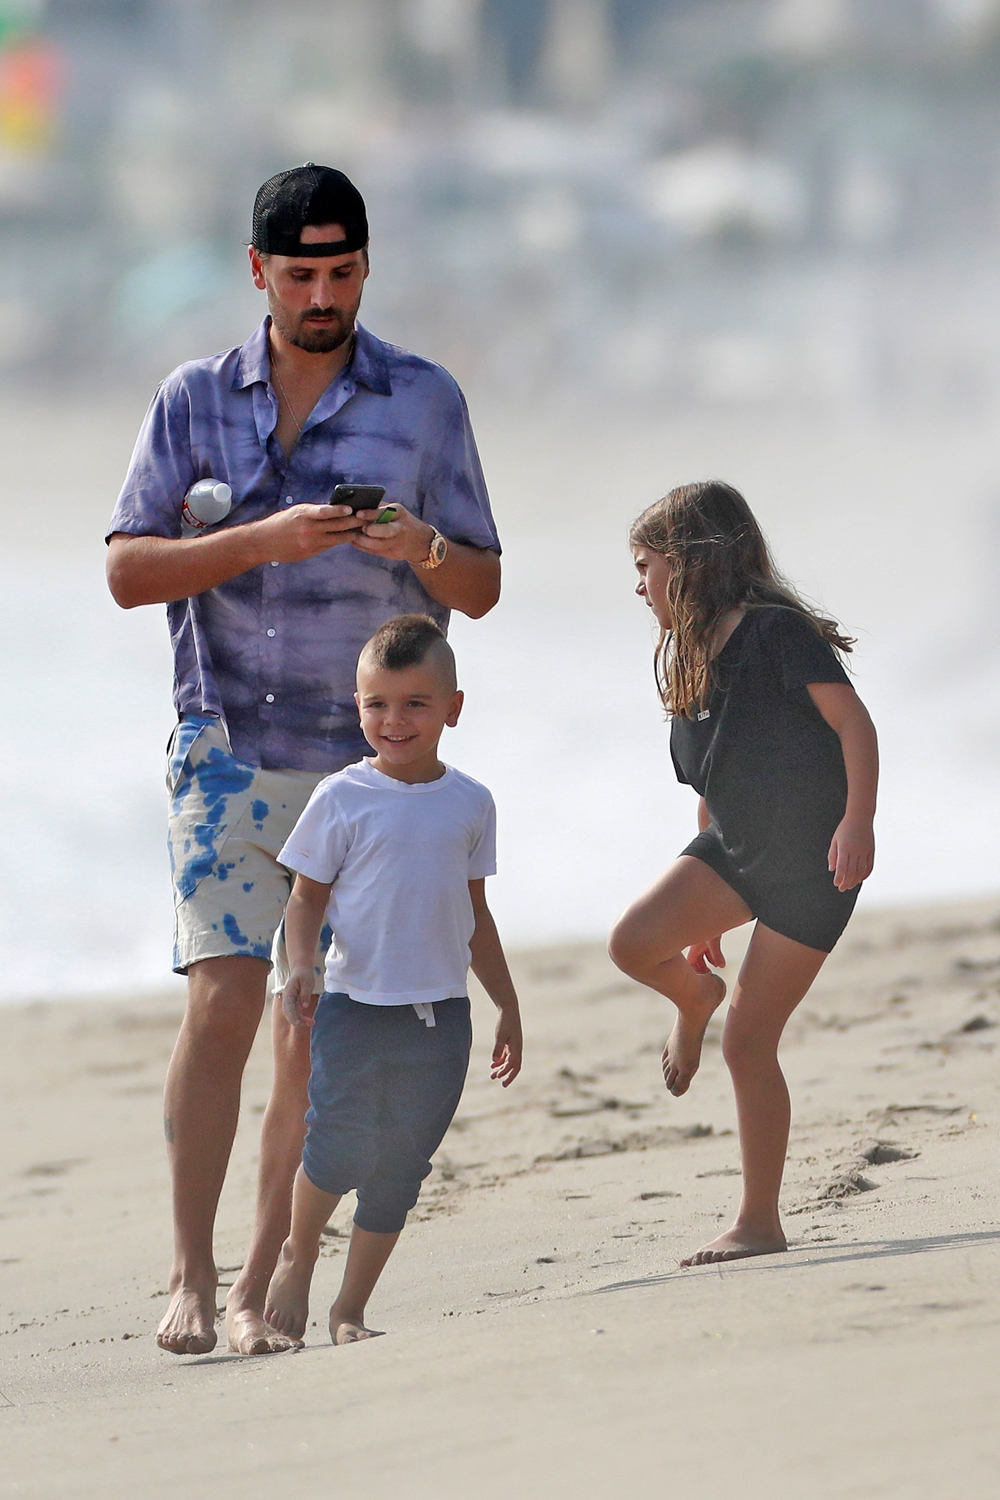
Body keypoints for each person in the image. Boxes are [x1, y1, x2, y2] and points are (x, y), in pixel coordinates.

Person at [105, 164, 503, 1357]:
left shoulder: (424, 401)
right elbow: (127, 571)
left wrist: (418, 541)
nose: (321, 295)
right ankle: (188, 1273)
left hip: (362, 770)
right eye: (299, 275)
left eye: (340, 272)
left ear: (366, 266)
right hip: (223, 746)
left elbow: (478, 587)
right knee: (224, 1003)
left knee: (306, 1026)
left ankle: (263, 1287)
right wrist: (258, 540)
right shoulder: (190, 401)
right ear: (258, 271)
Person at [608, 481, 878, 1266]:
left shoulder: (774, 633)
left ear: (690, 563)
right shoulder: (688, 658)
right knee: (632, 943)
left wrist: (858, 821)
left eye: (645, 565)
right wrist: (707, 925)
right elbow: (714, 787)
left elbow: (852, 723)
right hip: (733, 849)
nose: (639, 585)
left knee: (748, 1046)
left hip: (813, 868)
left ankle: (759, 1220)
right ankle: (693, 999)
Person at [260, 614, 521, 1346]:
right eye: (377, 704)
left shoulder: (471, 802)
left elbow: (476, 913)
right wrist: (302, 965)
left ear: (453, 709)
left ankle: (350, 1311)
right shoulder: (341, 798)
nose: (394, 720)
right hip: (352, 1007)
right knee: (339, 1147)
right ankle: (298, 1251)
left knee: (400, 1167)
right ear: (357, 705)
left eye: (415, 704)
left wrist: (506, 1002)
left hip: (441, 1015)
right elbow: (305, 899)